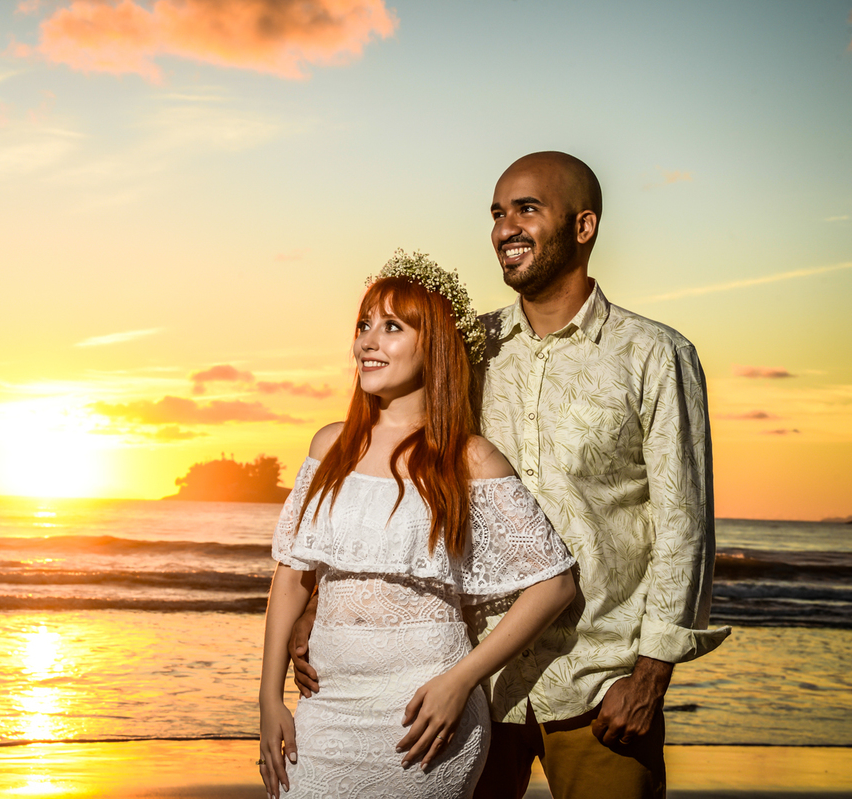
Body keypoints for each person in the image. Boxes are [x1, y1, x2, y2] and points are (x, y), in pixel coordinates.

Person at [290, 153, 732, 799]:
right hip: (466, 683)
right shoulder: (469, 348)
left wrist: (649, 676)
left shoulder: (655, 355)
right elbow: (386, 479)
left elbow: (683, 526)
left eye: (527, 209)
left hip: (597, 683)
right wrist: (316, 605)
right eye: (498, 213)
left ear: (583, 226)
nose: (505, 228)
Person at [259, 251, 577, 799]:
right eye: (363, 325)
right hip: (325, 711)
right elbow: (292, 577)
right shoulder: (329, 446)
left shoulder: (471, 459)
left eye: (392, 327)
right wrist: (268, 698)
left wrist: (462, 680)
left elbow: (555, 585)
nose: (367, 341)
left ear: (435, 345)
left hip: (424, 716)